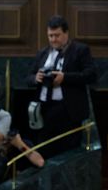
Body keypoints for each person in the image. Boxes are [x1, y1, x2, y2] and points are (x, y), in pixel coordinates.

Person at [25, 15, 97, 159]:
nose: (53, 39)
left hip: (68, 110)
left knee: (68, 154)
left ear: (66, 33)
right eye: (50, 36)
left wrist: (65, 77)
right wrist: (36, 78)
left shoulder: (80, 50)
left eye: (57, 35)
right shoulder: (43, 53)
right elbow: (28, 77)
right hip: (44, 109)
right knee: (43, 150)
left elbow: (91, 75)